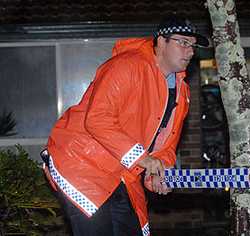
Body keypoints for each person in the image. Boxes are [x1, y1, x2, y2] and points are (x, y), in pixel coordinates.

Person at [41, 14, 209, 236]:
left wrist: (157, 174)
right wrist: (143, 159)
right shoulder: (126, 66)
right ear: (161, 42)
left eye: (193, 46)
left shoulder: (182, 92)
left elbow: (165, 145)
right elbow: (97, 119)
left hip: (122, 174)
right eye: (183, 43)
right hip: (81, 164)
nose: (190, 51)